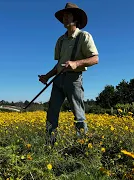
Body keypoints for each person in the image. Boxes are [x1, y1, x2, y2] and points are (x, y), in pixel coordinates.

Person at [38, 2, 99, 145]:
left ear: (75, 19)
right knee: (52, 113)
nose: (65, 18)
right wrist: (47, 76)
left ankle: (82, 145)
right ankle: (50, 143)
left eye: (68, 15)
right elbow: (59, 64)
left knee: (78, 113)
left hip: (74, 80)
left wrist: (76, 63)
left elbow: (95, 58)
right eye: (64, 16)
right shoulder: (60, 40)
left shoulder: (84, 36)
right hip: (58, 81)